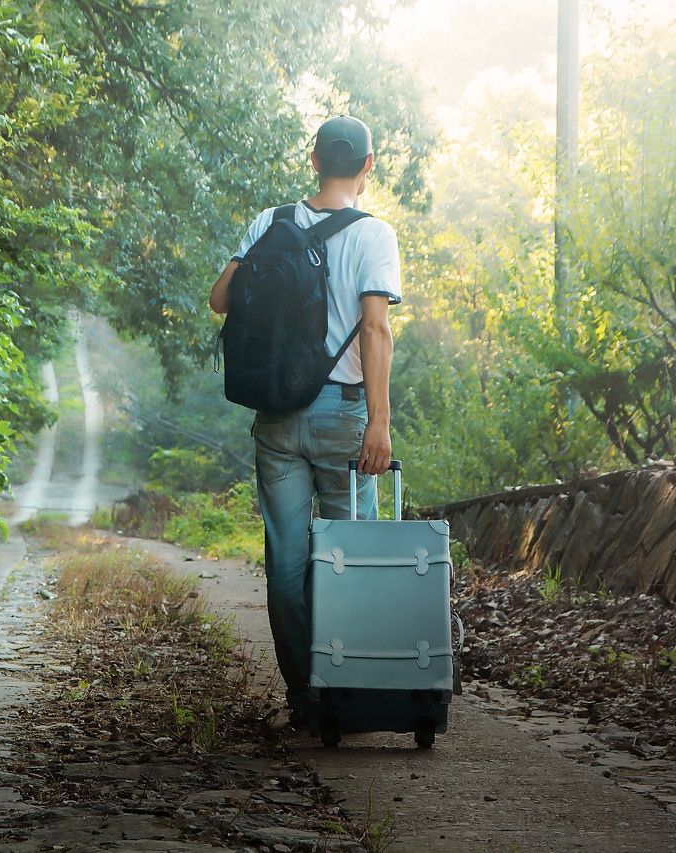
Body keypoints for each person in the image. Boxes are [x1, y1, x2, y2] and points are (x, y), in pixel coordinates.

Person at [208, 115, 401, 723]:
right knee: (352, 556)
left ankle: (304, 698)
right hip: (344, 417)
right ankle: (350, 690)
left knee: (287, 561)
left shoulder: (271, 222)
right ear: (368, 166)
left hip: (276, 418)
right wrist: (379, 422)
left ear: (313, 160)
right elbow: (374, 328)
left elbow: (220, 300)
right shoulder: (376, 235)